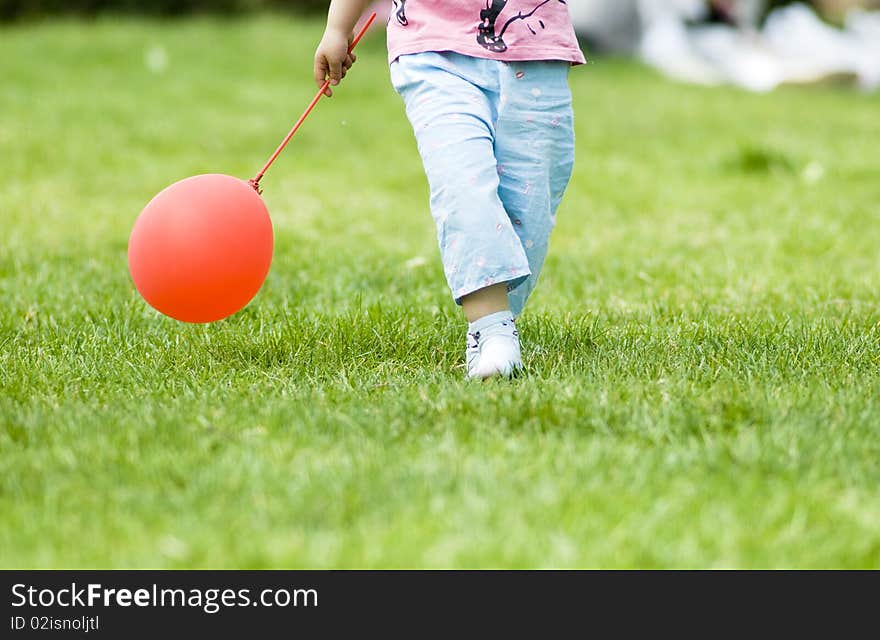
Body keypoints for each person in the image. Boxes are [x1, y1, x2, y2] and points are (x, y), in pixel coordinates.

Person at [314, 1, 585, 378]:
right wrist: (337, 28)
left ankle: (501, 309)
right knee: (463, 181)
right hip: (435, 49)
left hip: (538, 55)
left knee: (531, 202)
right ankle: (490, 328)